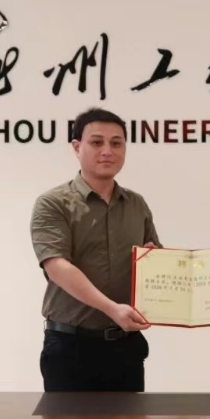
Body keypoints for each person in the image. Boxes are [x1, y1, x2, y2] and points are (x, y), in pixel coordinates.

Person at [30, 108, 161, 392]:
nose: (107, 151)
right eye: (96, 142)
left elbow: (154, 258)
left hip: (126, 347)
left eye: (116, 143)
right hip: (70, 348)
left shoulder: (136, 204)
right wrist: (112, 309)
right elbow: (57, 267)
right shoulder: (53, 203)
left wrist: (155, 262)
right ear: (77, 147)